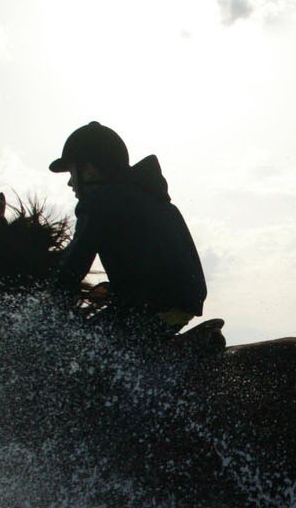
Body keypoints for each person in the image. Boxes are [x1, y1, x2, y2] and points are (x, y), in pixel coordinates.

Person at [48, 121, 207, 342]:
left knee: (73, 347)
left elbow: (71, 268)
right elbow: (153, 264)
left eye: (71, 171)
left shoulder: (98, 203)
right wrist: (114, 290)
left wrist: (43, 301)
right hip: (182, 306)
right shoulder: (156, 200)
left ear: (89, 170)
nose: (70, 182)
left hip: (146, 312)